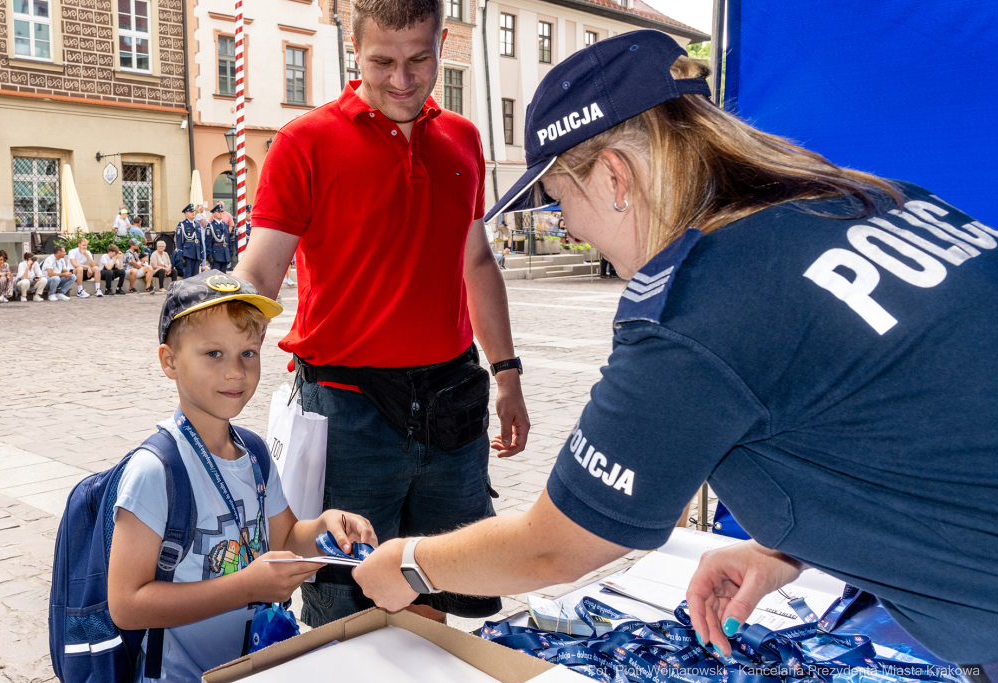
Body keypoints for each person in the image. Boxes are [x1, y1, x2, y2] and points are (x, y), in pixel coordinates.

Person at [352, 29, 998, 673]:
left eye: (558, 201)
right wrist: (788, 550)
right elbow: (913, 417)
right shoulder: (878, 198)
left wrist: (411, 563)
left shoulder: (700, 302)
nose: (570, 227)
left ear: (614, 177)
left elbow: (557, 547)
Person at [233, 0, 531, 630]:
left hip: (453, 401)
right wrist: (218, 358)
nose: (402, 78)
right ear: (354, 51)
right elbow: (259, 273)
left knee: (437, 585)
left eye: (420, 58)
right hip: (347, 412)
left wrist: (507, 375)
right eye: (382, 62)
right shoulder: (304, 142)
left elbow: (476, 262)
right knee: (345, 602)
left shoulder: (463, 138)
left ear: (442, 42)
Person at [107, 272, 378, 682]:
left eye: (248, 353)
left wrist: (326, 526)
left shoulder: (253, 452)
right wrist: (247, 587)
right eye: (214, 353)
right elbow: (127, 605)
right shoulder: (156, 470)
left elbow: (284, 536)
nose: (235, 371)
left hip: (254, 666)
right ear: (169, 361)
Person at [176, 204, 206, 278]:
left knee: (196, 276)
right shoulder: (182, 225)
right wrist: (181, 257)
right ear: (186, 214)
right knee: (188, 275)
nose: (193, 213)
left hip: (196, 253)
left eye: (193, 211)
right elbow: (179, 242)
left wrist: (202, 254)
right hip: (188, 253)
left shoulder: (197, 225)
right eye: (190, 211)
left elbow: (200, 241)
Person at [205, 204, 234, 274]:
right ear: (214, 214)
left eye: (221, 212)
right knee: (215, 277)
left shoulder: (225, 225)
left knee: (224, 277)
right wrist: (209, 255)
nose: (221, 214)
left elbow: (228, 240)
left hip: (225, 253)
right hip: (216, 254)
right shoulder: (210, 226)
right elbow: (208, 242)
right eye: (219, 212)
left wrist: (230, 252)